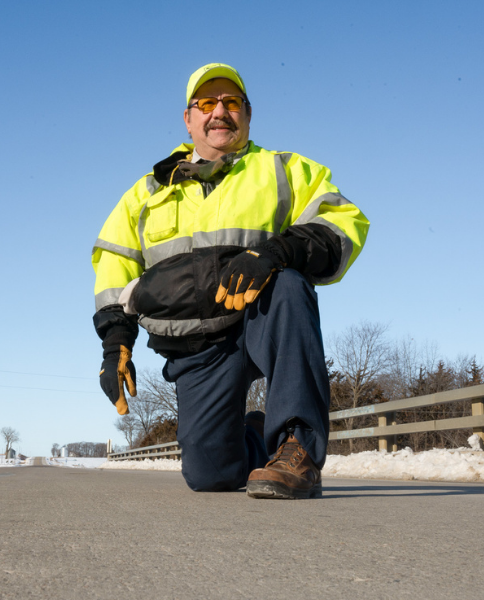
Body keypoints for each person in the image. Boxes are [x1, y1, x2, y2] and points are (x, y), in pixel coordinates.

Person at [91, 63, 369, 499]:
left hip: (261, 316)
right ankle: (256, 437)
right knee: (210, 475)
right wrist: (115, 342)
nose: (219, 111)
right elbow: (115, 262)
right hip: (198, 346)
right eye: (206, 103)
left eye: (231, 102)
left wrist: (279, 251)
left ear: (248, 113)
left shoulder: (283, 169)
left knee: (289, 284)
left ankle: (297, 448)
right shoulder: (147, 192)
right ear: (188, 119)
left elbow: (343, 222)